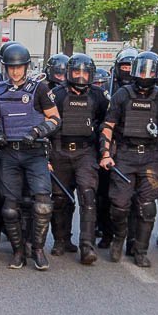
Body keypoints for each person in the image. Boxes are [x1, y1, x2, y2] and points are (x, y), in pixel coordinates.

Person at [0, 42, 60, 270]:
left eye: (19, 67)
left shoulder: (39, 89)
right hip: (9, 153)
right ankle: (18, 250)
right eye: (11, 67)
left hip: (35, 152)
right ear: (5, 67)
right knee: (10, 207)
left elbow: (55, 119)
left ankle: (37, 249)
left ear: (27, 67)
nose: (15, 71)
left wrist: (37, 131)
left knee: (42, 204)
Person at [100, 51, 158, 267]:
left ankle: (140, 250)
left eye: (150, 70)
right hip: (124, 153)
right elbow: (108, 125)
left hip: (151, 156)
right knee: (120, 205)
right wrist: (105, 153)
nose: (145, 75)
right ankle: (119, 239)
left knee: (148, 206)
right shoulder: (122, 95)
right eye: (141, 69)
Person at [49, 53, 107, 264]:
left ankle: (87, 246)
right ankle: (60, 240)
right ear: (68, 72)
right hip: (59, 151)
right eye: (76, 71)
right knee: (60, 199)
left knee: (87, 195)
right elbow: (48, 122)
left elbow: (105, 124)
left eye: (85, 72)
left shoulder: (99, 96)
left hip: (85, 152)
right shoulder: (57, 95)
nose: (80, 76)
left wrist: (104, 151)